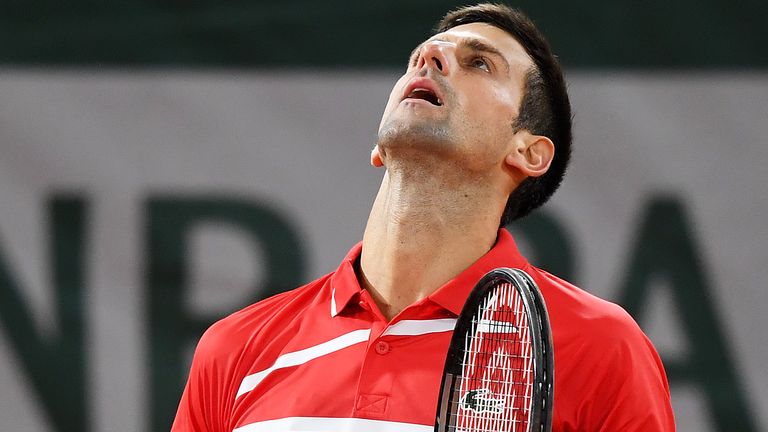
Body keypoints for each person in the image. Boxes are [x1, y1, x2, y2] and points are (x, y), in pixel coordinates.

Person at [172, 3, 675, 431]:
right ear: (378, 147)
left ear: (529, 152)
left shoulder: (601, 346)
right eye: (421, 56)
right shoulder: (234, 350)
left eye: (479, 63)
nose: (430, 57)